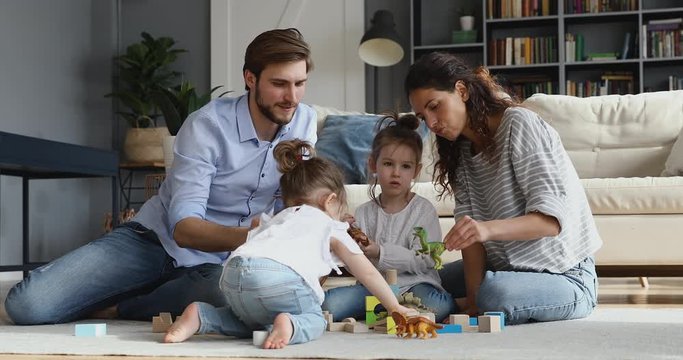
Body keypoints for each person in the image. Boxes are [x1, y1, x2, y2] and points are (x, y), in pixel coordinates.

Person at [4, 28, 318, 324]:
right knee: (28, 305)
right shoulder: (207, 126)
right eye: (279, 83)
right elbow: (184, 229)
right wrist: (254, 234)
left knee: (227, 294)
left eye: (300, 83)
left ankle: (125, 306)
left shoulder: (304, 121)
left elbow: (300, 197)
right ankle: (143, 287)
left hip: (222, 263)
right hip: (154, 242)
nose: (292, 96)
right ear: (250, 78)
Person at [404, 52, 602, 325]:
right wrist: (473, 303)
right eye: (422, 115)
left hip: (563, 275)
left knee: (495, 294)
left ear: (461, 90)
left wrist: (486, 229)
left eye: (435, 106)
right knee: (421, 280)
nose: (431, 123)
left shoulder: (520, 124)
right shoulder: (460, 153)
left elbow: (551, 222)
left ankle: (473, 301)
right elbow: (472, 244)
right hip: (502, 269)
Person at [163, 140, 414, 349]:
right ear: (330, 201)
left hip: (233, 274)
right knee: (314, 318)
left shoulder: (275, 220)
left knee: (253, 323)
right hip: (276, 279)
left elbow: (253, 233)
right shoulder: (331, 226)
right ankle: (290, 325)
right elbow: (367, 271)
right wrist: (394, 306)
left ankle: (201, 316)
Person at [322, 114, 455, 323]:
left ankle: (386, 312)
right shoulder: (364, 212)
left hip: (415, 286)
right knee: (330, 305)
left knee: (438, 305)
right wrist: (345, 236)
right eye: (388, 164)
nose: (396, 173)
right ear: (373, 165)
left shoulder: (423, 210)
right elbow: (356, 265)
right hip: (374, 289)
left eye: (405, 166)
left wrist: (381, 252)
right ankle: (391, 309)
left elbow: (425, 259)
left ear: (416, 171)